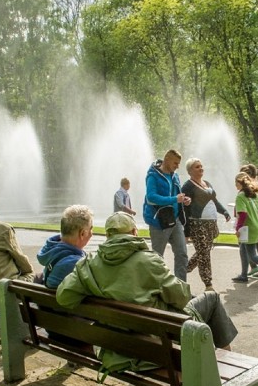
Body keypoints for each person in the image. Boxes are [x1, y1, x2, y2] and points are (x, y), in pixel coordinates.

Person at [57, 212, 237, 350]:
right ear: (135, 232)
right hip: (155, 339)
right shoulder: (148, 260)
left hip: (116, 343)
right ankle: (227, 360)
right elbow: (181, 298)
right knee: (211, 298)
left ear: (107, 235)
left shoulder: (88, 264)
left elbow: (64, 297)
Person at [181, 158, 231, 291]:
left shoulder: (207, 183)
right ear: (190, 171)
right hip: (197, 224)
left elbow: (214, 200)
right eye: (197, 167)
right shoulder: (187, 186)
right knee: (204, 254)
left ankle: (183, 269)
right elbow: (184, 210)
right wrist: (187, 232)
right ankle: (208, 284)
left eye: (201, 166)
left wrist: (224, 211)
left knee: (203, 252)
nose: (201, 168)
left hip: (211, 223)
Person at [143, 149, 191, 281]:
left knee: (182, 254)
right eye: (175, 163)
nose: (177, 166)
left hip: (175, 220)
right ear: (167, 160)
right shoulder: (153, 175)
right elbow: (151, 198)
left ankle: (181, 289)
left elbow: (177, 195)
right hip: (159, 222)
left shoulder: (174, 175)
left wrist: (184, 200)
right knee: (157, 258)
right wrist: (175, 199)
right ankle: (156, 290)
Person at [36, 205, 93, 288]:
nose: (92, 234)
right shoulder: (77, 265)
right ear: (82, 234)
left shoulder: (50, 251)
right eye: (90, 229)